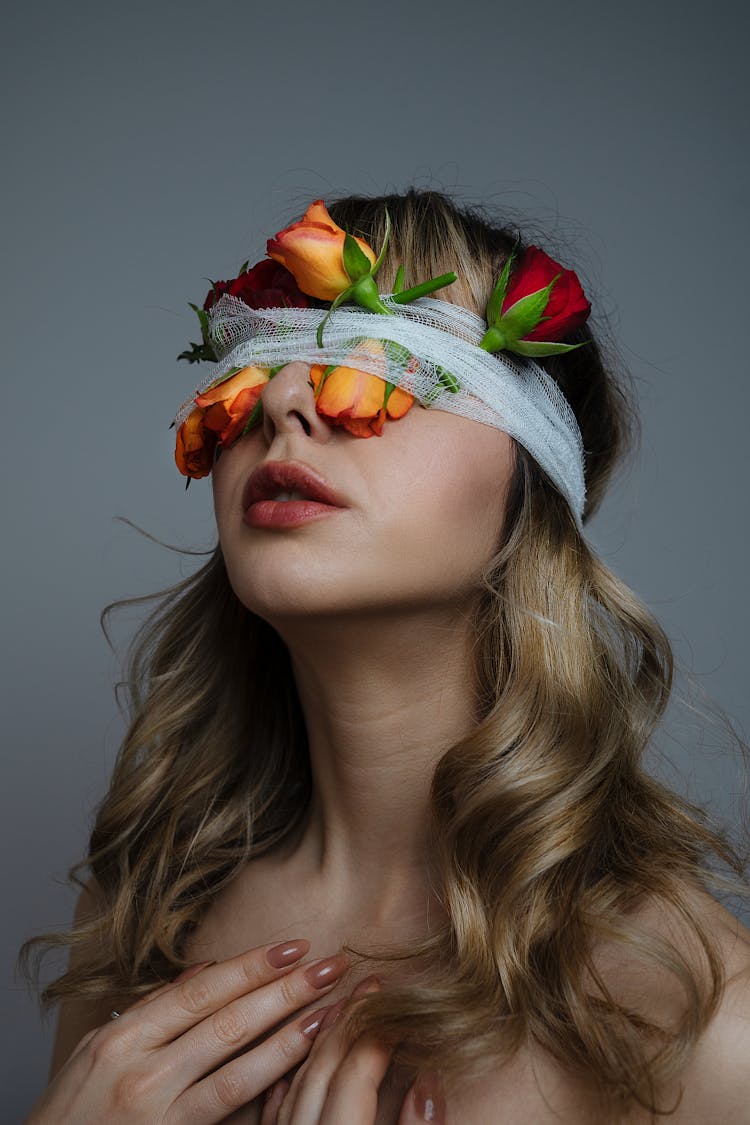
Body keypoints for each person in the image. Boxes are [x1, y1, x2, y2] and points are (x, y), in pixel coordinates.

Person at [20, 190, 750, 1124]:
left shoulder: (684, 1007)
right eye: (263, 361)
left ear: (534, 486)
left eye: (396, 359)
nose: (286, 400)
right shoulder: (139, 915)